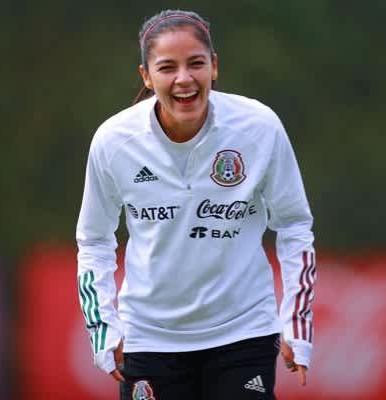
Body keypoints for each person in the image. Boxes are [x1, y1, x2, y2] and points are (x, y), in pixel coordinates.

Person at [76, 9, 316, 400]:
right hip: (149, 338)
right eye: (167, 67)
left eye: (196, 63)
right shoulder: (114, 141)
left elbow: (293, 224)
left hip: (244, 332)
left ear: (214, 67)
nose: (184, 78)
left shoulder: (259, 127)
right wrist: (103, 328)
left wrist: (296, 322)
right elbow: (94, 240)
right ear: (146, 76)